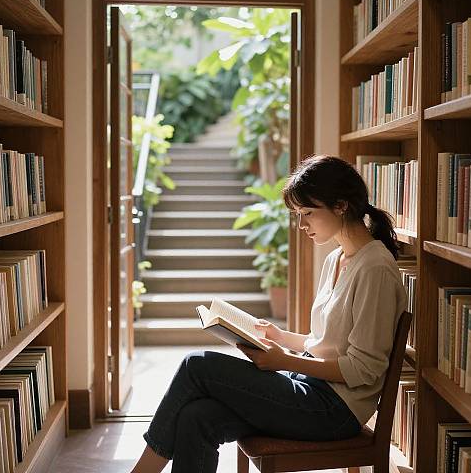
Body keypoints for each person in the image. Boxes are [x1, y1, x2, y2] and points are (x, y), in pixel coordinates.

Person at [130, 155, 408, 473]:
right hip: (311, 387)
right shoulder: (336, 258)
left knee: (197, 365)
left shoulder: (375, 268)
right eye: (297, 215)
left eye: (307, 214)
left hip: (334, 410)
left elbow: (364, 369)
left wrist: (284, 361)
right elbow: (327, 343)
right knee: (198, 417)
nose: (301, 225)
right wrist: (279, 337)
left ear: (341, 205)